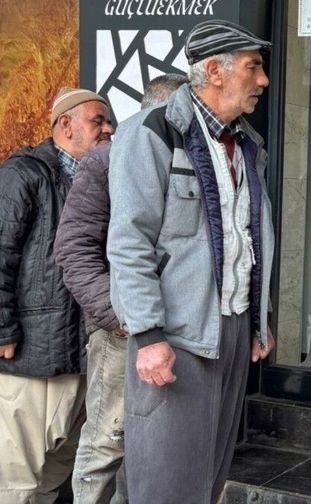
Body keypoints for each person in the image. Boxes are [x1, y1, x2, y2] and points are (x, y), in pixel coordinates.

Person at [106, 20, 275, 503]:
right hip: (175, 337)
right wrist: (148, 336)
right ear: (215, 72)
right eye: (253, 67)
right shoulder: (151, 133)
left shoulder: (246, 144)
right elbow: (129, 242)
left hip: (233, 329)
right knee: (163, 482)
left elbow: (248, 236)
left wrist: (258, 320)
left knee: (209, 477)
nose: (262, 81)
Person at [54, 73, 188, 504]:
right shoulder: (107, 160)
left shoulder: (195, 158)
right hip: (121, 335)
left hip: (179, 331)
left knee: (157, 450)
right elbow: (73, 250)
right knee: (106, 445)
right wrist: (122, 317)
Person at [0, 87, 113, 503]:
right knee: (16, 478)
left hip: (81, 354)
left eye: (108, 121)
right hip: (29, 356)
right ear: (65, 124)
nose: (108, 128)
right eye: (97, 120)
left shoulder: (100, 176)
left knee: (58, 469)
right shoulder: (24, 173)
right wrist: (2, 330)